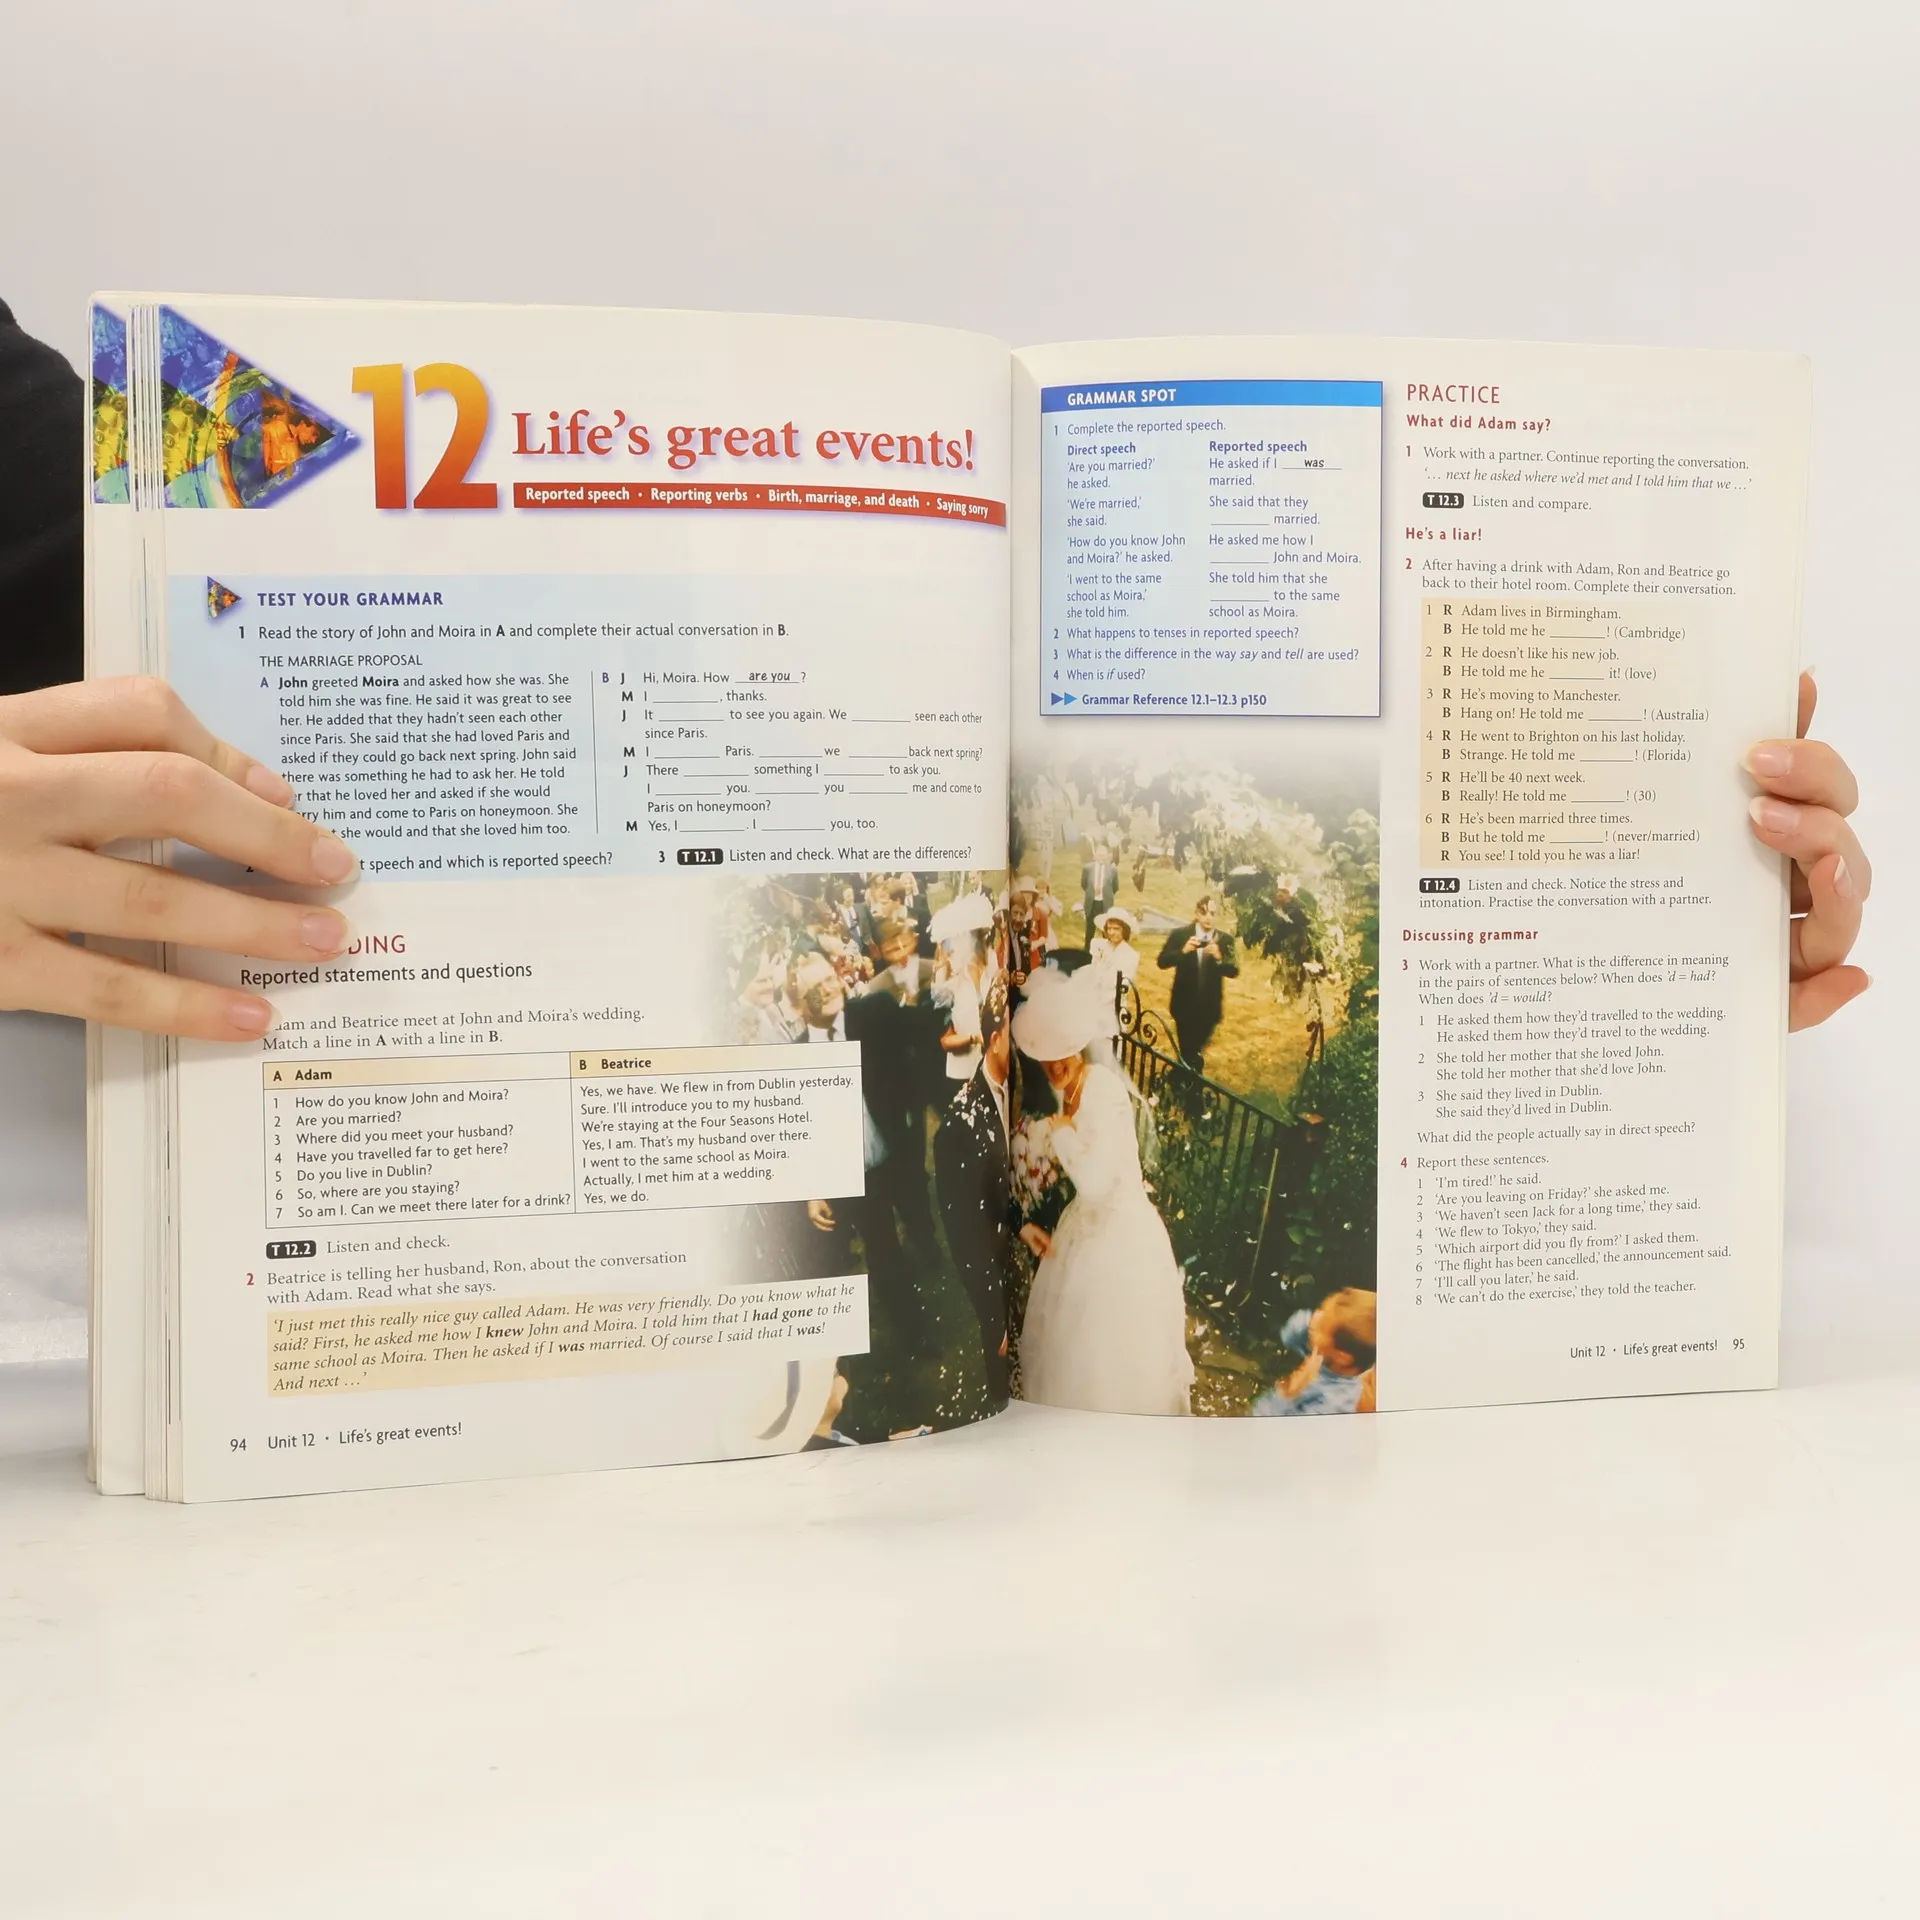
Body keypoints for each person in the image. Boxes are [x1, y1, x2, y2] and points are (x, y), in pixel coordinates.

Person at [1011, 970, 1194, 1416]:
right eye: (1046, 1059)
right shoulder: (1068, 1093)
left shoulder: (1104, 1093)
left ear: (1079, 1047)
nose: (1055, 1067)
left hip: (1119, 1233)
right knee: (1069, 1342)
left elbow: (1095, 1183)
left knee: (1109, 1348)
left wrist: (1061, 1135)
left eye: (1063, 1056)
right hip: (1083, 1227)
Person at [934, 976, 1015, 1401]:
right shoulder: (958, 1128)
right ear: (997, 1040)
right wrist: (994, 1317)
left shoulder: (1033, 1089)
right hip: (999, 1287)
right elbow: (965, 1236)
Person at [1251, 1288, 1377, 1416]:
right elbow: (1288, 1336)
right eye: (1320, 1309)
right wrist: (1323, 1321)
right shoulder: (1327, 1351)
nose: (1314, 1320)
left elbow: (1262, 1421)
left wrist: (1289, 1393)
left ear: (1341, 1357)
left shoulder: (1335, 1406)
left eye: (1321, 1327)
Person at [1156, 893, 1239, 1075]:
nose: (1208, 917)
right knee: (1188, 1050)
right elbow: (1162, 962)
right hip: (1184, 1004)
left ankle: (1179, 1078)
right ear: (1197, 913)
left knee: (1193, 1050)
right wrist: (1183, 951)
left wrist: (1219, 958)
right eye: (1204, 912)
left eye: (1212, 913)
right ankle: (1190, 1085)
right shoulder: (1181, 935)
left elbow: (1234, 970)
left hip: (1209, 1007)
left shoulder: (1225, 940)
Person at [1086, 906, 1140, 1038]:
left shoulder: (1130, 955)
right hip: (1094, 999)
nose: (1111, 932)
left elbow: (1121, 987)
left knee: (1110, 1040)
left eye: (1116, 929)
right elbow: (1093, 971)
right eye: (1109, 928)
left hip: (1112, 1005)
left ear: (1124, 930)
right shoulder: (1100, 946)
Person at [1080, 841, 1118, 948]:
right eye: (1099, 854)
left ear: (1107, 856)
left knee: (1106, 930)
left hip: (1105, 904)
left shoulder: (1112, 869)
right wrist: (1092, 893)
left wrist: (1104, 894)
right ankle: (1087, 952)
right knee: (1089, 931)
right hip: (1092, 904)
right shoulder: (1088, 868)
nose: (1101, 857)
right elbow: (1084, 884)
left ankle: (1107, 952)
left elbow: (1115, 887)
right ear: (1095, 855)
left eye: (1103, 855)